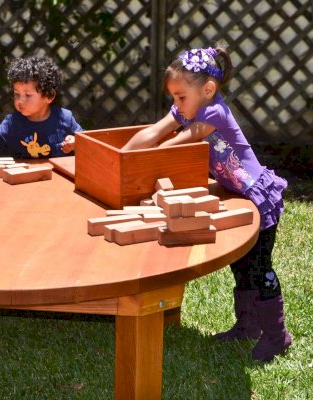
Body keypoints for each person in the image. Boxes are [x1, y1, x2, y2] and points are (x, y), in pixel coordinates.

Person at [122, 45, 292, 362]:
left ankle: (277, 335)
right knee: (240, 265)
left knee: (259, 269)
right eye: (173, 97)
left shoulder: (214, 113)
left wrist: (143, 160)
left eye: (181, 97)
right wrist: (122, 156)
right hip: (237, 196)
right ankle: (247, 326)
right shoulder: (187, 110)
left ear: (208, 89)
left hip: (258, 196)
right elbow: (155, 131)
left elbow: (176, 143)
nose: (176, 104)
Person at [0, 56, 82, 162]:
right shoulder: (13, 122)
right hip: (25, 179)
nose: (20, 100)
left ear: (49, 96)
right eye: (16, 94)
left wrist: (75, 141)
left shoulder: (65, 118)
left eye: (28, 95)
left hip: (57, 182)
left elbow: (86, 140)